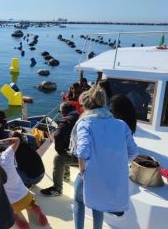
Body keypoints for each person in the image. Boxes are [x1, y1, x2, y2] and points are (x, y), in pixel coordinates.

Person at [70, 86, 138, 229]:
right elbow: (133, 152)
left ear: (86, 105)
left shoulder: (85, 123)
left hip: (91, 175)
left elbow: (82, 152)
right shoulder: (121, 124)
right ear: (104, 103)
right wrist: (114, 164)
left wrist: (83, 171)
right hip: (110, 177)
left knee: (78, 200)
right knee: (98, 206)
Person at [0, 137, 48, 229]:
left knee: (8, 213)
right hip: (25, 197)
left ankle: (17, 220)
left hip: (12, 204)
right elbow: (17, 140)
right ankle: (36, 210)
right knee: (32, 203)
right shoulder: (7, 156)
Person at [40, 102, 79, 197]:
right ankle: (65, 176)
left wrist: (60, 150)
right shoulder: (80, 116)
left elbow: (57, 135)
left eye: (61, 112)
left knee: (59, 158)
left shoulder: (66, 121)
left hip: (81, 157)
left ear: (64, 112)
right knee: (66, 151)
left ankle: (57, 189)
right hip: (89, 153)